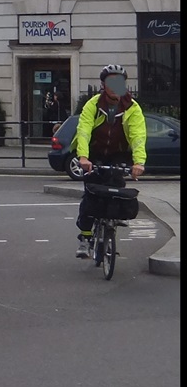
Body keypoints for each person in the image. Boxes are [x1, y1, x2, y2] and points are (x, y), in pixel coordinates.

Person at [72, 64, 146, 258]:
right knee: (91, 195)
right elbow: (84, 130)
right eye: (110, 82)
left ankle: (111, 227)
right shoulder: (93, 104)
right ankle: (85, 237)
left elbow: (138, 135)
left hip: (118, 153)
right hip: (94, 152)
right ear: (103, 85)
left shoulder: (132, 107)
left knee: (117, 190)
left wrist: (138, 162)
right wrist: (83, 157)